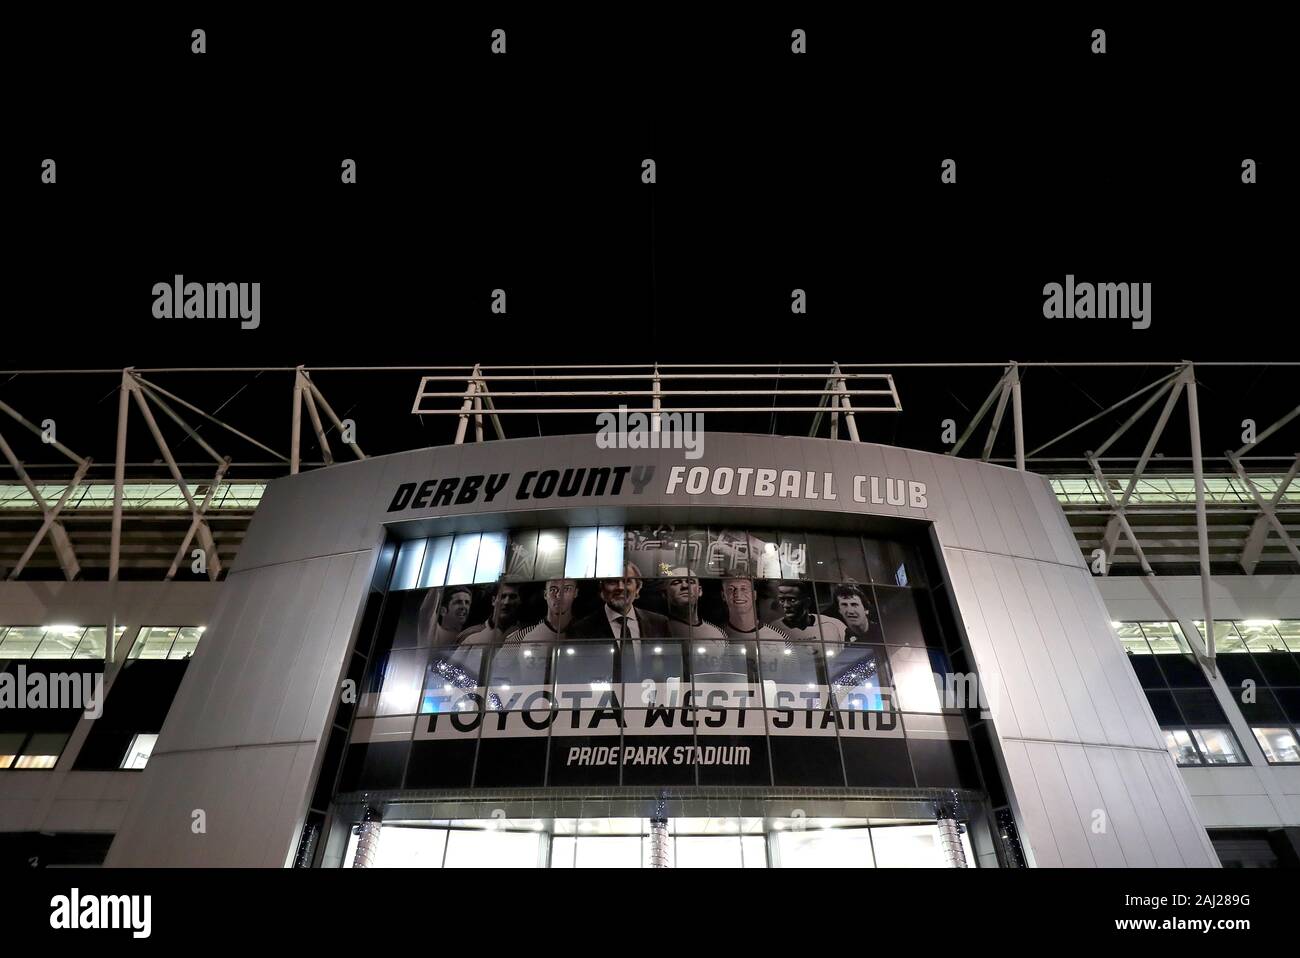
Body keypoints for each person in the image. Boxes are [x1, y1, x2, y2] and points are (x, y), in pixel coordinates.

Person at [568, 562, 670, 639]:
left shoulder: (660, 623)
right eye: (612, 582)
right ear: (602, 589)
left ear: (638, 588)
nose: (620, 587)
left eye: (627, 582)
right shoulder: (581, 629)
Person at [769, 581, 846, 644]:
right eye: (782, 600)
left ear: (807, 602)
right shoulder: (772, 630)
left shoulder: (834, 624)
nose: (786, 605)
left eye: (792, 600)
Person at [661, 568, 726, 639]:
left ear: (700, 591)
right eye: (676, 583)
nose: (684, 586)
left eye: (690, 582)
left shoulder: (716, 634)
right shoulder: (656, 629)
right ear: (664, 594)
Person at [458, 581, 526, 645]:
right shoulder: (468, 635)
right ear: (493, 600)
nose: (506, 602)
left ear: (520, 601)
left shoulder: (526, 633)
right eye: (502, 596)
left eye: (512, 597)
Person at [719, 575, 781, 640]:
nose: (738, 594)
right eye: (731, 589)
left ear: (754, 595)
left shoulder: (777, 637)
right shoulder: (716, 634)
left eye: (743, 589)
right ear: (723, 596)